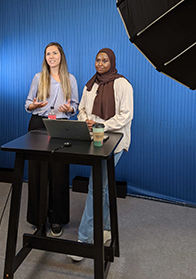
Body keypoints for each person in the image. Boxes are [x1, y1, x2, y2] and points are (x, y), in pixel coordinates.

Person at [69, 47, 133, 261]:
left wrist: (101, 124)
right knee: (103, 186)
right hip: (93, 138)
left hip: (114, 140)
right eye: (97, 60)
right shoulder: (91, 85)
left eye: (104, 60)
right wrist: (85, 121)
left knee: (96, 186)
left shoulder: (122, 84)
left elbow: (126, 115)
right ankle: (106, 229)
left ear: (111, 62)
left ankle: (84, 239)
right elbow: (83, 111)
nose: (100, 64)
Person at [25, 42, 79, 237]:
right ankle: (38, 218)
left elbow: (75, 106)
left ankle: (57, 219)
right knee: (38, 173)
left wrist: (69, 109)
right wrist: (35, 105)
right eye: (48, 54)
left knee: (59, 173)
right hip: (39, 124)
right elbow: (28, 103)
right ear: (45, 57)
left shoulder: (70, 79)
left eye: (54, 53)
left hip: (60, 127)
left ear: (61, 56)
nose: (51, 56)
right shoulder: (38, 78)